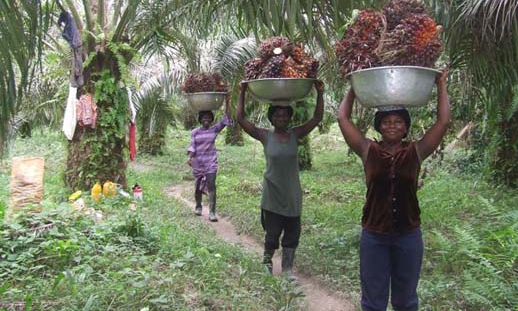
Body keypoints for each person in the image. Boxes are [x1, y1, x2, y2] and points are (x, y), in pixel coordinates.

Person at [337, 70, 450, 311]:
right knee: (373, 302)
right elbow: (343, 119)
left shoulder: (416, 151)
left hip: (408, 236)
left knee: (406, 300)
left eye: (398, 121)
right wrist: (354, 87)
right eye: (387, 121)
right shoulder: (368, 150)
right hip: (374, 236)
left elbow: (442, 122)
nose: (392, 126)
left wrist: (440, 84)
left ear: (406, 127)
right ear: (379, 126)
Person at [236, 80, 324, 278]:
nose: (281, 118)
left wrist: (319, 92)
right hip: (272, 192)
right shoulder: (265, 136)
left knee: (293, 231)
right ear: (271, 118)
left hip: (292, 192)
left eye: (284, 115)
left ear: (289, 117)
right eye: (277, 115)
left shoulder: (296, 134)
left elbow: (317, 117)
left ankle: (287, 268)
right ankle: (267, 261)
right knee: (272, 232)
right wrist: (242, 91)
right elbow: (240, 118)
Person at [188, 94, 232, 222]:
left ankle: (212, 212)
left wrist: (228, 102)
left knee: (212, 186)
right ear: (200, 119)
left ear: (211, 119)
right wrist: (190, 157)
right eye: (204, 118)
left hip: (210, 162)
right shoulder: (195, 132)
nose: (206, 119)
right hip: (197, 163)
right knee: (197, 187)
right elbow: (192, 146)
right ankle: (198, 206)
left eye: (208, 118)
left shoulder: (214, 130)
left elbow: (226, 118)